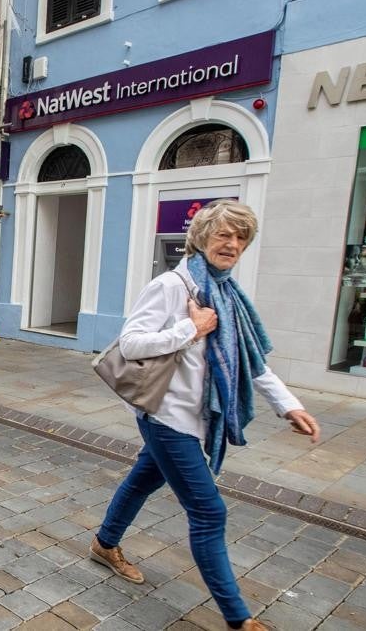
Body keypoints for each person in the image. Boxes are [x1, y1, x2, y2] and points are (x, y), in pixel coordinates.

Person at [89, 199, 320, 631]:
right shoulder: (173, 287)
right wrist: (190, 329)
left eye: (241, 237)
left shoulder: (229, 293)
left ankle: (105, 544)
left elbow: (250, 361)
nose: (232, 244)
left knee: (143, 478)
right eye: (224, 234)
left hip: (200, 419)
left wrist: (289, 404)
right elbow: (131, 343)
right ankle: (239, 620)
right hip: (167, 416)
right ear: (201, 237)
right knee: (209, 512)